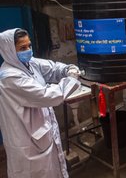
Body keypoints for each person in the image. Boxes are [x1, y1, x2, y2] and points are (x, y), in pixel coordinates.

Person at [0, 28, 82, 178]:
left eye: (29, 46)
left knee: (51, 170)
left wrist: (67, 69)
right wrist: (71, 79)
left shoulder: (28, 63)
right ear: (10, 51)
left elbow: (51, 68)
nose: (28, 51)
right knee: (34, 172)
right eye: (22, 48)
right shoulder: (10, 77)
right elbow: (47, 96)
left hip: (40, 132)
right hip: (26, 140)